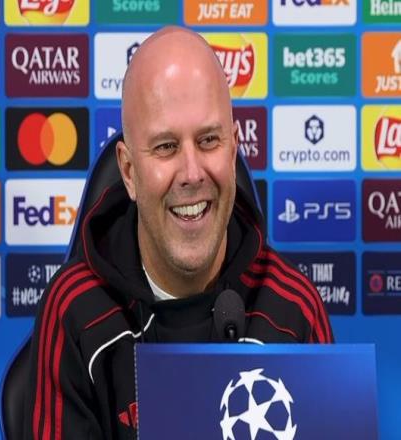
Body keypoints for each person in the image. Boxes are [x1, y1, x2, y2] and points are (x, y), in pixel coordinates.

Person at [23, 27, 333, 440]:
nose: (191, 173)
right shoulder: (74, 309)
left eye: (208, 140)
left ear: (233, 149)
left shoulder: (294, 309)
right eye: (166, 146)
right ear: (129, 171)